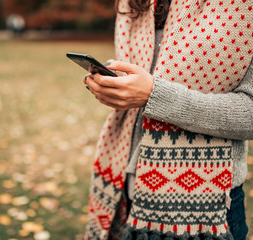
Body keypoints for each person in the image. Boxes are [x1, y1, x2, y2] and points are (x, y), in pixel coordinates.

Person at [83, 0, 253, 239]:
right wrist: (116, 88)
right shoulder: (135, 2)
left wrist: (155, 95)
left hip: (204, 203)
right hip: (122, 189)